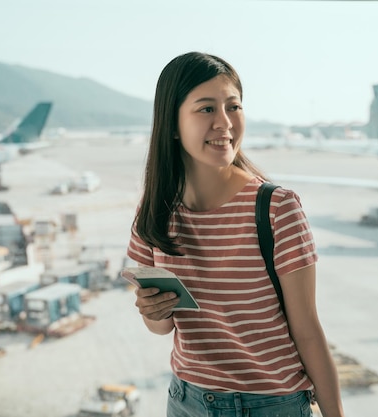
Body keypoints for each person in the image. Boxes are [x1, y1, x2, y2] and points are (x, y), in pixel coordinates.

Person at [126, 52, 345, 417]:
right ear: (173, 123)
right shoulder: (153, 213)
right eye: (206, 109)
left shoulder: (277, 208)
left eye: (234, 106)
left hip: (274, 405)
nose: (225, 123)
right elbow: (162, 328)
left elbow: (307, 330)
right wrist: (151, 310)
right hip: (186, 401)